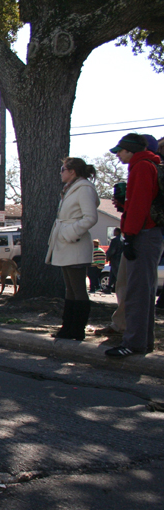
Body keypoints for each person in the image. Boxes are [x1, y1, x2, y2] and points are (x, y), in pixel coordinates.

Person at [104, 133, 163, 357]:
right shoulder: (149, 165)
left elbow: (138, 203)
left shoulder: (141, 167)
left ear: (130, 150)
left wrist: (129, 235)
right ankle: (144, 341)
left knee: (137, 292)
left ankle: (133, 343)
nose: (118, 155)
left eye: (120, 151)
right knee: (144, 290)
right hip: (150, 233)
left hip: (143, 234)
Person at [45, 157, 99, 341]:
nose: (61, 172)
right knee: (69, 289)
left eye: (63, 169)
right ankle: (67, 327)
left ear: (73, 171)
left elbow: (90, 217)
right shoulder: (70, 189)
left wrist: (70, 232)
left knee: (78, 288)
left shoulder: (84, 188)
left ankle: (77, 329)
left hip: (74, 243)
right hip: (66, 244)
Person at [104, 228, 123, 294]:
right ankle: (109, 287)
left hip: (115, 259)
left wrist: (108, 255)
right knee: (112, 274)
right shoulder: (123, 239)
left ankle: (120, 288)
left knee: (116, 274)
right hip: (120, 259)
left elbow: (112, 250)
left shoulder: (115, 240)